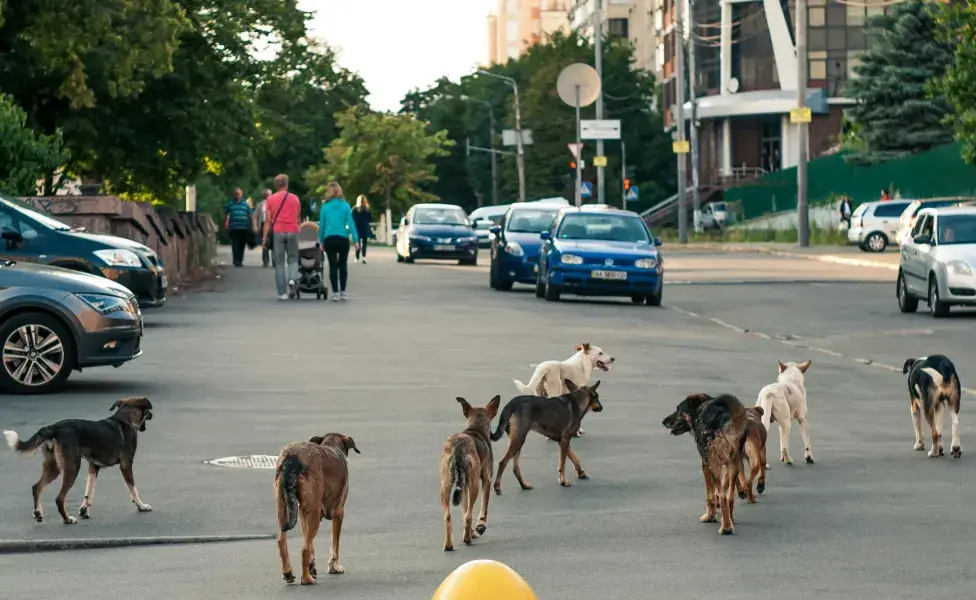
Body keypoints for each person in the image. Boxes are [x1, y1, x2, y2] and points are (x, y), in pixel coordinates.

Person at [263, 174, 302, 300]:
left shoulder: (271, 199)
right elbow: (298, 217)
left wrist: (264, 237)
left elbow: (268, 220)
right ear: (287, 184)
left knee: (279, 263)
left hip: (278, 231)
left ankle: (282, 293)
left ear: (275, 185)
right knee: (293, 259)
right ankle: (292, 280)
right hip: (292, 230)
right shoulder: (295, 198)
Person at [318, 182, 359, 301]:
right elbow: (351, 224)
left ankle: (335, 292)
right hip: (343, 238)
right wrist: (356, 240)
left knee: (332, 265)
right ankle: (343, 291)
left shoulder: (325, 207)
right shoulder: (345, 206)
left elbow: (322, 225)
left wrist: (321, 241)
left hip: (329, 238)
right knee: (342, 265)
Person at [224, 188, 253, 267]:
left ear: (242, 194)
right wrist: (226, 222)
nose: (238, 195)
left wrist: (252, 226)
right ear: (234, 195)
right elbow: (226, 214)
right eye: (236, 194)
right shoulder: (230, 204)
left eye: (239, 194)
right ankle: (236, 260)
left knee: (241, 245)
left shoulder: (246, 204)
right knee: (235, 245)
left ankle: (240, 260)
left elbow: (250, 215)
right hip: (234, 227)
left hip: (244, 227)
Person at [352, 194, 373, 264]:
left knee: (357, 243)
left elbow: (352, 219)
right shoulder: (368, 209)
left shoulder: (355, 209)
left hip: (357, 227)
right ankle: (364, 257)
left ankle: (357, 257)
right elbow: (370, 219)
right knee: (364, 243)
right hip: (365, 227)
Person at [255, 189, 272, 268]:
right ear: (266, 195)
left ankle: (275, 261)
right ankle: (265, 260)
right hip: (263, 224)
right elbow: (256, 216)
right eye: (269, 194)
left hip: (272, 225)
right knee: (264, 243)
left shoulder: (274, 203)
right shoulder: (260, 205)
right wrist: (256, 226)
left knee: (273, 242)